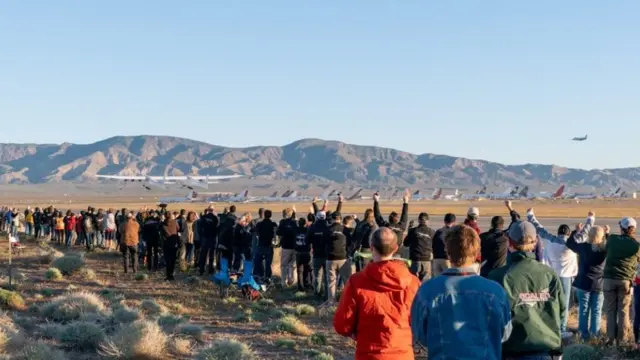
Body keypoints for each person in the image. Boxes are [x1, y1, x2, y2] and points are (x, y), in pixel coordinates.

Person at [411, 225, 512, 359]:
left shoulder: (428, 290)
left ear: (447, 251)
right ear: (477, 252)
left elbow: (420, 335)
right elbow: (505, 333)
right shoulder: (495, 291)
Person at [334, 227, 420, 360]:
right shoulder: (413, 282)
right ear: (396, 248)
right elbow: (420, 322)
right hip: (402, 352)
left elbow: (342, 325)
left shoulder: (356, 281)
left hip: (369, 353)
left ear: (371, 247)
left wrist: (354, 332)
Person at [489, 220, 564, 359]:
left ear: (510, 243)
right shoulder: (549, 274)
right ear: (535, 242)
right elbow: (561, 311)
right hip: (546, 350)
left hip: (512, 351)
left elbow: (492, 319)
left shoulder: (499, 276)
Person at [527, 207, 578, 338]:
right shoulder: (571, 245)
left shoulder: (550, 240)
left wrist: (530, 215)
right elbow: (582, 236)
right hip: (566, 277)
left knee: (552, 301)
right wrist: (587, 222)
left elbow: (539, 228)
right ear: (568, 233)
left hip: (551, 275)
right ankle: (561, 329)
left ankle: (551, 325)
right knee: (564, 304)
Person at [565, 212, 606, 340]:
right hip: (599, 284)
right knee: (596, 311)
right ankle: (595, 335)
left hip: (583, 283)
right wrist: (607, 234)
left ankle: (583, 335)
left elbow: (570, 244)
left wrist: (576, 232)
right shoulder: (605, 250)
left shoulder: (584, 248)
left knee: (583, 310)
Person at [602, 217, 640, 346]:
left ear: (622, 228)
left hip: (608, 279)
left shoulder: (612, 239)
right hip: (625, 280)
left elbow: (607, 244)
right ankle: (622, 340)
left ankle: (610, 339)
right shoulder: (636, 246)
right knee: (623, 311)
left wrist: (607, 233)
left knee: (610, 310)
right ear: (633, 230)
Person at [325, 212, 349, 304]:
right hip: (343, 257)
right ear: (340, 218)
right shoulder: (345, 229)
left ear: (332, 218)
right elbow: (349, 242)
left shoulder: (328, 229)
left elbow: (324, 242)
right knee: (346, 280)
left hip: (330, 258)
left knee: (331, 281)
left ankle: (331, 301)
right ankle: (347, 300)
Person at [403, 212, 435, 281]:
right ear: (427, 221)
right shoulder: (432, 232)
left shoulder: (413, 231)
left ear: (419, 220)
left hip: (415, 259)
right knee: (425, 284)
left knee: (414, 282)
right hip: (426, 260)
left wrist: (410, 233)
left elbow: (405, 243)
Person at [254, 209, 278, 282]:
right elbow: (275, 235)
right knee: (268, 263)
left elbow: (257, 234)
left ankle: (258, 276)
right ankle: (267, 277)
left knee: (258, 261)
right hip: (268, 245)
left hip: (261, 245)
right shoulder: (273, 224)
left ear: (264, 215)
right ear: (270, 215)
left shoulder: (259, 224)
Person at [277, 207, 298, 287]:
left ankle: (283, 282)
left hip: (285, 246)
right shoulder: (295, 222)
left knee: (284, 265)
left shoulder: (282, 222)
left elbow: (279, 233)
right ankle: (294, 281)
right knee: (293, 265)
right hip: (294, 246)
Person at [198, 205, 219, 275]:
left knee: (203, 254)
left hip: (205, 237)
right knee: (211, 255)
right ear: (213, 210)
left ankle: (201, 270)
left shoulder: (203, 217)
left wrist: (201, 236)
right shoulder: (216, 218)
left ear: (208, 209)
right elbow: (217, 228)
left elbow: (200, 228)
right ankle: (210, 270)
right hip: (212, 238)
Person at [295, 217, 312, 291]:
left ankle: (300, 287)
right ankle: (306, 284)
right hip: (307, 252)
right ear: (305, 223)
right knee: (306, 269)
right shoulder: (308, 230)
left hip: (298, 252)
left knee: (299, 271)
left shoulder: (295, 230)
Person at [162, 212, 180, 281]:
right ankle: (171, 275)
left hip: (166, 244)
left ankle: (168, 275)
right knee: (173, 260)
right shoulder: (175, 222)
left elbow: (161, 230)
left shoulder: (163, 224)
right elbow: (178, 228)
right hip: (174, 243)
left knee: (167, 260)